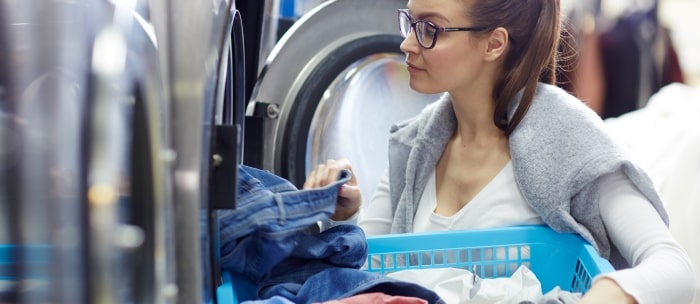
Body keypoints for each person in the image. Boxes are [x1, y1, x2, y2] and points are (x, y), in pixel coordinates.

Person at [302, 0, 696, 303]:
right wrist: (343, 216)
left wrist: (600, 295)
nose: (407, 43)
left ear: (494, 44)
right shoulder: (413, 147)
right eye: (409, 22)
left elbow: (676, 269)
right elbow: (367, 273)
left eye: (429, 29)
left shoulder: (569, 143)